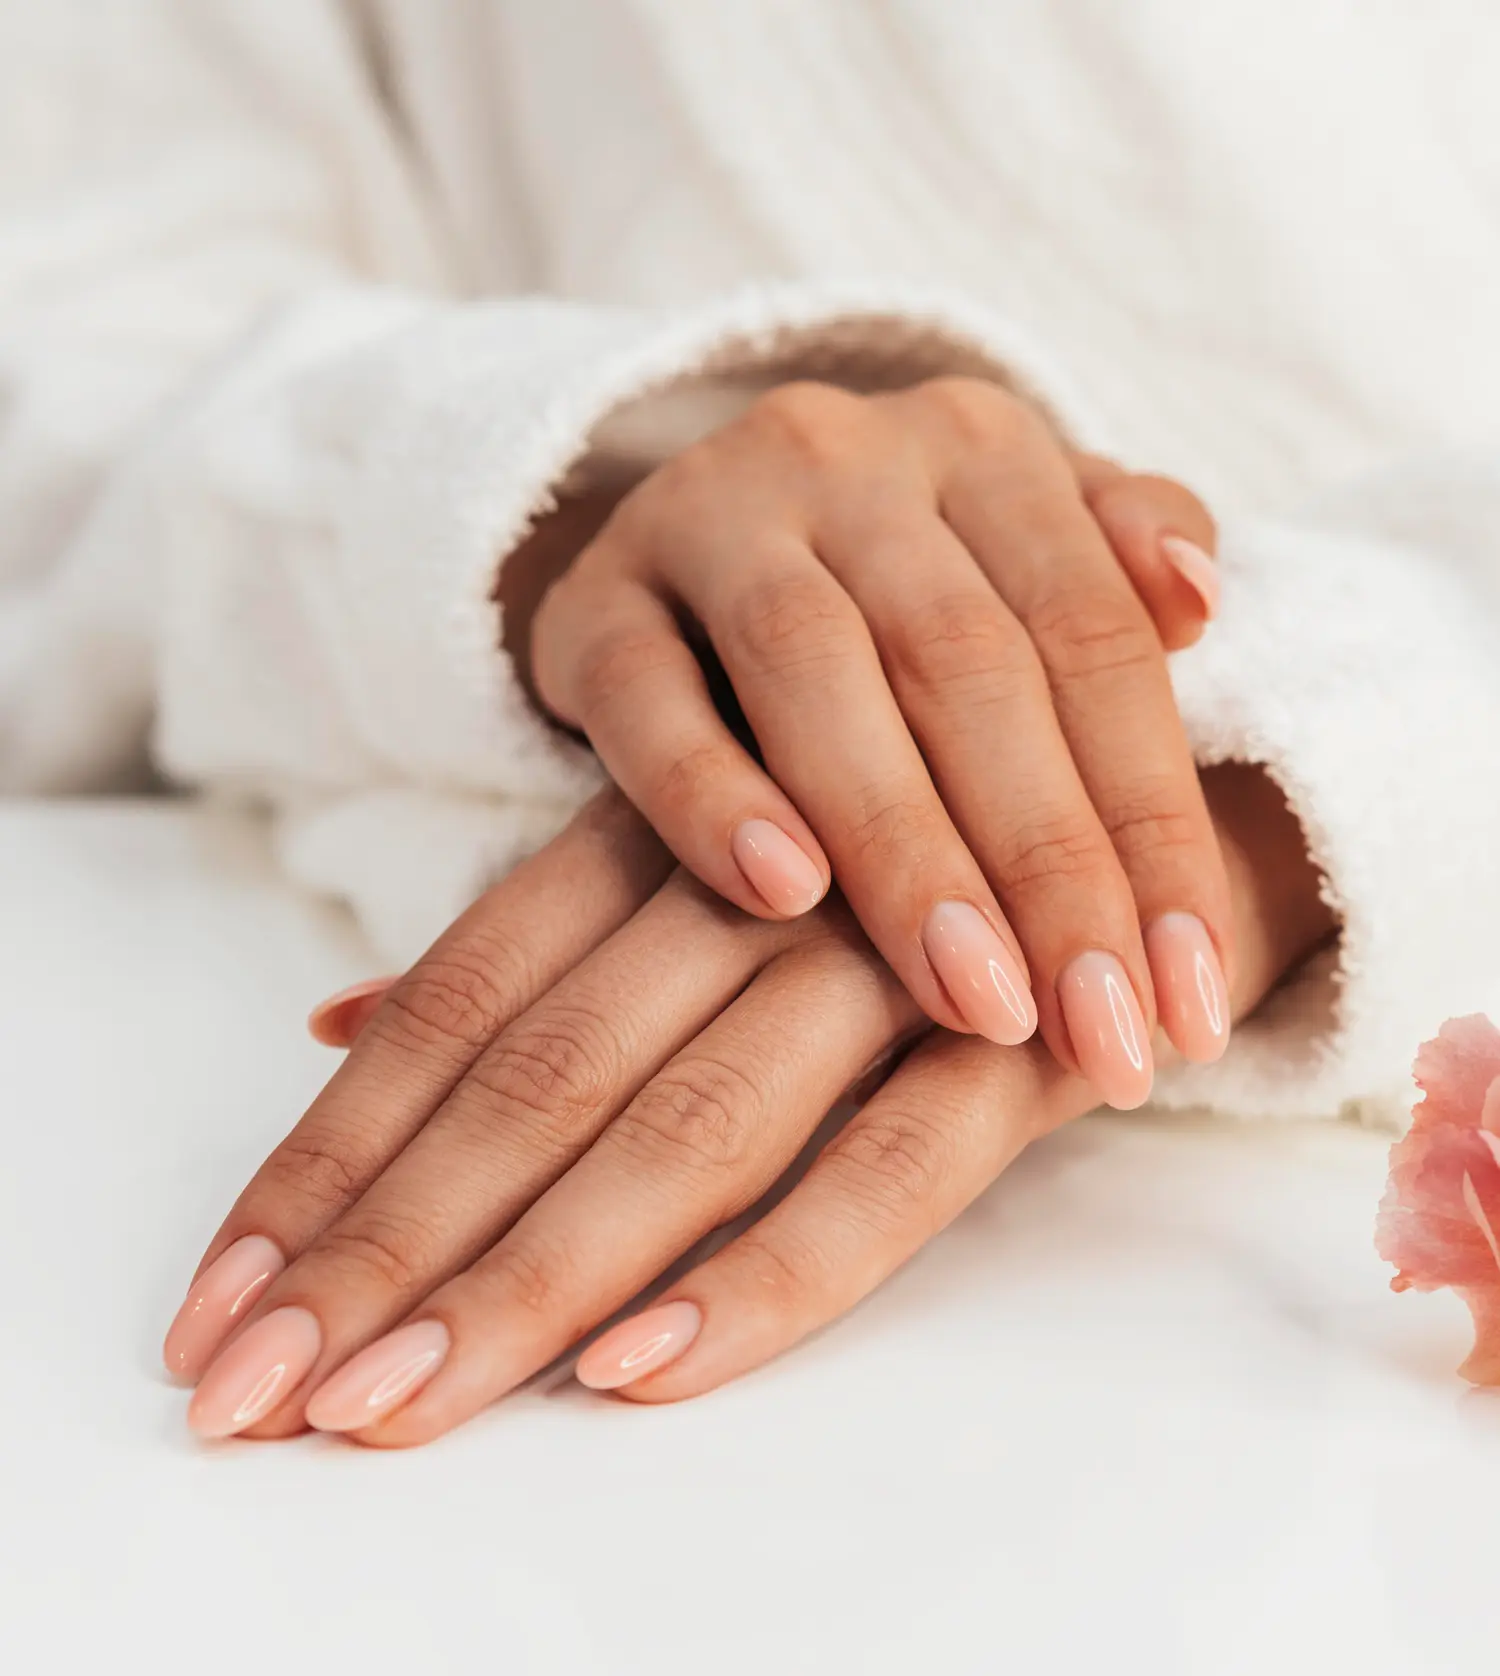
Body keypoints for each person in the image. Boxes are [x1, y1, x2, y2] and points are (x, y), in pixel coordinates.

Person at [4, 2, 1497, 1445]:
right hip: (429, 905)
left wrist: (1300, 765)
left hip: (1258, 1277)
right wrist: (582, 520)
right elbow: (86, 368)